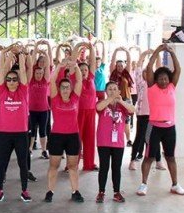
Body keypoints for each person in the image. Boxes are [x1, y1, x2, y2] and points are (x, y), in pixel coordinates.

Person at [137, 44, 184, 196]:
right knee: (149, 157)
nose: (163, 81)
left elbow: (178, 70)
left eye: (165, 78)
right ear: (155, 79)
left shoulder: (172, 86)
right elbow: (150, 67)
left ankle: (175, 184)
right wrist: (158, 50)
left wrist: (172, 53)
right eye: (161, 79)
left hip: (170, 128)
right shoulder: (152, 87)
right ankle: (143, 184)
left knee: (170, 157)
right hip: (154, 128)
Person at [0, 47, 31, 202]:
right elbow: (2, 71)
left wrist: (21, 54)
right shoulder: (2, 91)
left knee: (23, 163)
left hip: (21, 133)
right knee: (2, 162)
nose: (11, 81)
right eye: (9, 79)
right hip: (4, 133)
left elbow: (22, 71)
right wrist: (8, 54)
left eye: (14, 79)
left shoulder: (23, 91)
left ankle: (24, 190)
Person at [45, 58, 84, 203]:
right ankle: (50, 191)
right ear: (59, 89)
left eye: (68, 87)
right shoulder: (55, 98)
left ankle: (75, 191)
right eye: (63, 87)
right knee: (54, 165)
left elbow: (79, 81)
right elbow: (52, 80)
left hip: (73, 136)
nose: (66, 89)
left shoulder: (75, 98)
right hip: (57, 137)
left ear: (71, 89)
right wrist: (59, 67)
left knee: (73, 166)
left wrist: (76, 66)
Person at [95, 81, 135, 202]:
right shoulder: (102, 103)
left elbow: (132, 110)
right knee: (104, 167)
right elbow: (98, 107)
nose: (112, 91)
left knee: (116, 168)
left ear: (119, 91)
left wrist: (120, 100)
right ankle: (101, 192)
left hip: (118, 142)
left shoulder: (122, 105)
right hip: (103, 141)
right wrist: (111, 98)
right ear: (106, 92)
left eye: (114, 89)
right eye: (110, 89)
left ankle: (116, 192)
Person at [129, 49, 153, 170]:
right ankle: (132, 160)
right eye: (144, 72)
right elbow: (138, 67)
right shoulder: (140, 83)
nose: (145, 74)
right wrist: (144, 54)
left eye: (147, 72)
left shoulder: (154, 84)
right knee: (139, 137)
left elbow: (158, 68)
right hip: (142, 114)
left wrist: (156, 56)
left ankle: (154, 160)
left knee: (151, 139)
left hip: (153, 115)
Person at [76, 43, 98, 171]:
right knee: (76, 139)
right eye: (81, 70)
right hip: (78, 112)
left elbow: (93, 63)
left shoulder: (91, 77)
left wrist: (91, 48)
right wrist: (78, 47)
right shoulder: (75, 80)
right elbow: (74, 61)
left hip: (91, 112)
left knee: (90, 138)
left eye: (85, 69)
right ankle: (72, 163)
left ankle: (89, 164)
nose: (84, 72)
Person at [109, 47, 134, 146]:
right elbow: (112, 62)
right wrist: (115, 51)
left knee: (126, 121)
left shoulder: (126, 73)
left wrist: (127, 51)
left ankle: (128, 140)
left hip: (126, 99)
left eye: (121, 65)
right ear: (116, 66)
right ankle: (114, 138)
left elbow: (129, 62)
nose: (120, 67)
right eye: (118, 65)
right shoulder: (113, 73)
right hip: (115, 99)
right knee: (115, 119)